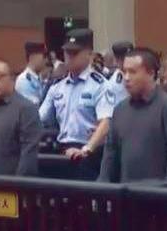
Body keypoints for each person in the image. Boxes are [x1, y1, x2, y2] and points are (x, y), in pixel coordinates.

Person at [99, 48, 167, 185]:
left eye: (132, 72)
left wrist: (166, 189)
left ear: (151, 73)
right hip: (124, 193)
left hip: (158, 194)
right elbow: (110, 154)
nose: (126, 78)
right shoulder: (120, 109)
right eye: (124, 71)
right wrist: (103, 186)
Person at [39, 28, 115, 180]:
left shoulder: (100, 85)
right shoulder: (57, 86)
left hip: (89, 154)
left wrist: (87, 149)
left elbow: (106, 122)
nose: (69, 58)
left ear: (89, 54)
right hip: (62, 151)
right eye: (67, 53)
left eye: (75, 53)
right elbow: (40, 118)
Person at [108, 41, 134, 105]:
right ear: (117, 60)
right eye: (124, 59)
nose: (129, 61)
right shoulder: (114, 83)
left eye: (132, 57)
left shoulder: (139, 73)